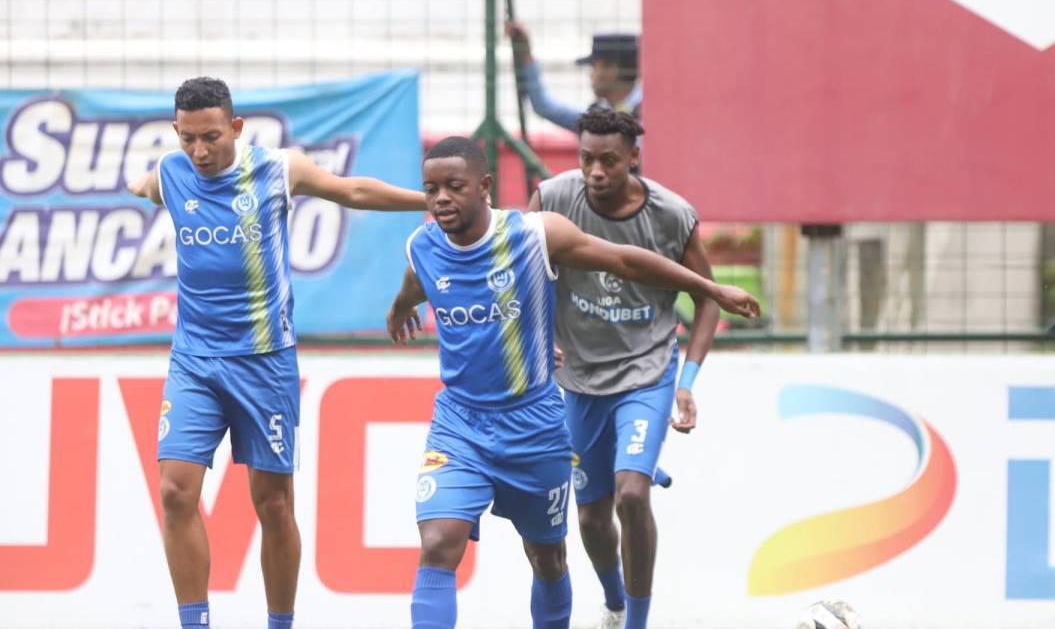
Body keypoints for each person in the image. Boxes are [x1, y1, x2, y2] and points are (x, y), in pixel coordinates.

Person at [385, 136, 759, 629]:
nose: (440, 200)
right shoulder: (423, 245)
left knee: (547, 558)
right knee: (437, 543)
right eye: (430, 190)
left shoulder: (536, 235)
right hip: (460, 425)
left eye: (454, 187)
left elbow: (625, 259)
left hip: (534, 427)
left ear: (486, 187)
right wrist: (399, 307)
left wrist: (709, 288)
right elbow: (416, 284)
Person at [126, 76, 428, 629]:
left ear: (236, 128)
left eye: (211, 137)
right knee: (174, 491)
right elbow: (143, 185)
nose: (199, 151)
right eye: (188, 138)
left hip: (264, 362)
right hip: (194, 360)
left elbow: (353, 191)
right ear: (176, 133)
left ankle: (280, 622)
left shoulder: (277, 170)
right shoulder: (171, 175)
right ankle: (195, 622)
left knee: (273, 505)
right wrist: (134, 182)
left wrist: (427, 199)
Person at [529, 109, 715, 629]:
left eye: (609, 160)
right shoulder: (553, 199)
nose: (595, 171)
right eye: (586, 158)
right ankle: (613, 604)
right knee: (589, 515)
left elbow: (708, 300)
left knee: (631, 495)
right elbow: (518, 275)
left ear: (634, 157)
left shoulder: (673, 216)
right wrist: (538, 340)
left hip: (647, 372)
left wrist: (687, 384)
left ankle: (636, 622)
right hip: (580, 381)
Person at [506, 22, 641, 132]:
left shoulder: (644, 113)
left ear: (612, 70)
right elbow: (544, 107)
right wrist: (526, 55)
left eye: (594, 67)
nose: (591, 75)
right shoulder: (599, 115)